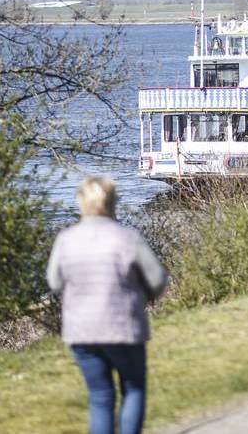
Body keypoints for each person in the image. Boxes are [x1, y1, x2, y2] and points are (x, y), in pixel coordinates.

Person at [47, 176, 168, 434]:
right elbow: (157, 279)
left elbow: (55, 282)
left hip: (82, 331)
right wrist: (144, 297)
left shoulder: (66, 240)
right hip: (123, 327)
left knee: (100, 396)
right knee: (133, 388)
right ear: (113, 202)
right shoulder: (127, 238)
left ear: (81, 202)